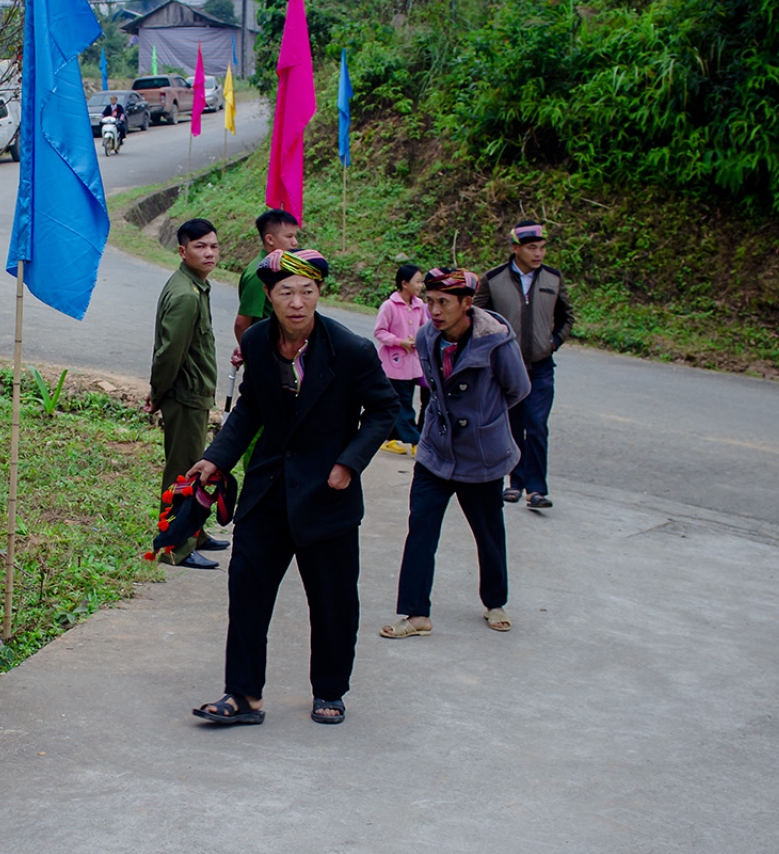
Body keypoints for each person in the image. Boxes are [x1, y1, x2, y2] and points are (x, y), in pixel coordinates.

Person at [188, 249, 399, 727]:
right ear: (269, 296)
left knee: (332, 601)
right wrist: (216, 457)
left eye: (307, 292)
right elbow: (250, 410)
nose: (297, 302)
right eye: (286, 293)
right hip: (268, 492)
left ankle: (330, 689)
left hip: (327, 496)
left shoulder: (350, 351)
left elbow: (384, 411)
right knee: (247, 593)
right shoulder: (260, 341)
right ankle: (243, 695)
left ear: (319, 294)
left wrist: (349, 463)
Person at [380, 267, 530, 640]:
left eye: (443, 302)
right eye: (429, 301)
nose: (434, 310)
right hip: (436, 451)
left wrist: (484, 421)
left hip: (481, 455)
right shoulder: (428, 335)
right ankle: (416, 614)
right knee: (421, 529)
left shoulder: (496, 340)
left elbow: (518, 389)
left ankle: (495, 602)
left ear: (466, 303)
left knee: (488, 531)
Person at [475, 219, 573, 509]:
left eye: (542, 248)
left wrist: (553, 342)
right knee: (512, 425)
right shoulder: (493, 280)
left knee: (537, 425)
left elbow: (567, 316)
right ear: (516, 249)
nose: (539, 254)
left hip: (541, 366)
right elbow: (478, 318)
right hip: (507, 366)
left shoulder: (553, 279)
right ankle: (514, 483)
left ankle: (536, 488)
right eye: (532, 248)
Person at [148, 218, 226, 570]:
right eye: (200, 246)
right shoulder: (185, 295)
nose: (209, 253)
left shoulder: (195, 286)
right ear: (182, 251)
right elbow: (169, 354)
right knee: (183, 473)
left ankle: (195, 532)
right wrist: (157, 393)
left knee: (197, 469)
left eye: (213, 245)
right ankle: (175, 547)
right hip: (184, 396)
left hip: (194, 395)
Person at [232, 209, 301, 360]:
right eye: (289, 236)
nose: (295, 242)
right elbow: (242, 323)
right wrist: (250, 353)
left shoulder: (279, 267)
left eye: (295, 236)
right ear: (270, 239)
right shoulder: (260, 274)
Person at [374, 264, 428, 455]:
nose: (421, 286)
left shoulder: (419, 305)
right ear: (405, 284)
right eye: (418, 282)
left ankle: (389, 439)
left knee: (399, 402)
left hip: (412, 365)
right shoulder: (389, 306)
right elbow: (379, 332)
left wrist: (417, 340)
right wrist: (399, 342)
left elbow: (425, 329)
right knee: (404, 404)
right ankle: (415, 442)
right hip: (393, 365)